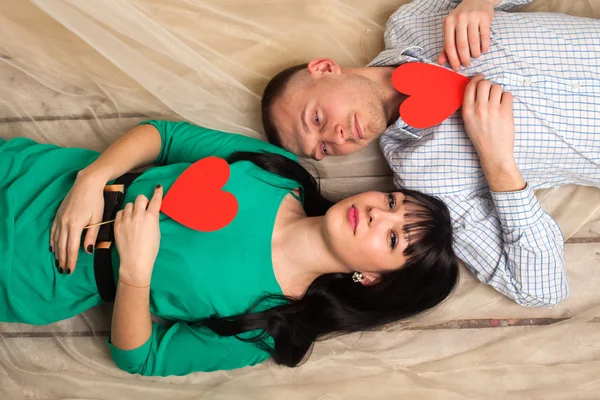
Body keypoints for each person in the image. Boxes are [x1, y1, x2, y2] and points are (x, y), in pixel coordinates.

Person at [0, 120, 458, 376]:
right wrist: (92, 179)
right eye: (394, 202)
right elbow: (165, 136)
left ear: (374, 279)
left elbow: (140, 357)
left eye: (393, 238)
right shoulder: (280, 172)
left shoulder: (269, 327)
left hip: (30, 273)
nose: (379, 214)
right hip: (32, 174)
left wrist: (134, 274)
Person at [261, 0, 600, 307]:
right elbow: (542, 290)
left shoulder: (413, 21)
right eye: (322, 149)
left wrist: (480, 1)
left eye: (317, 118)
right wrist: (499, 164)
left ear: (323, 68)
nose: (335, 138)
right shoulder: (426, 177)